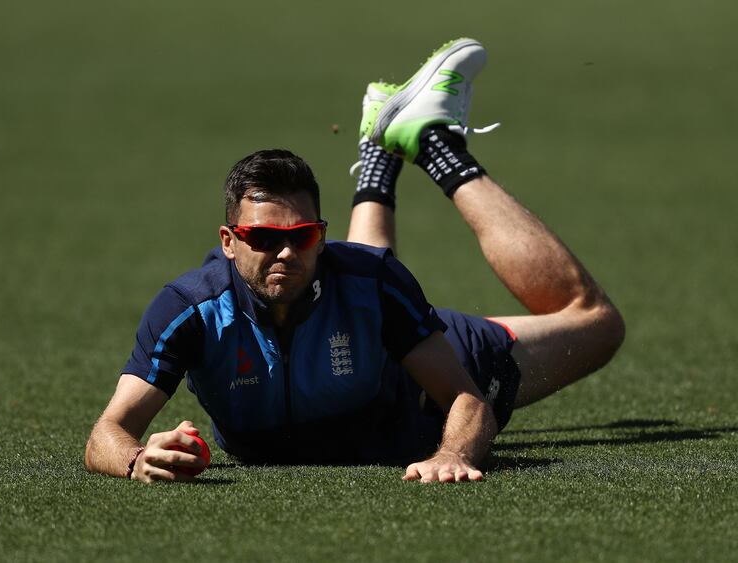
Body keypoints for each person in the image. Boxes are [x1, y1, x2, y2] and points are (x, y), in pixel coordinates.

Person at [84, 38, 625, 484]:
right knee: (361, 276)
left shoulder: (372, 282)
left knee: (596, 323)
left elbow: (464, 397)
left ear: (322, 235)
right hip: (368, 316)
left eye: (305, 235)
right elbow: (105, 433)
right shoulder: (189, 310)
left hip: (417, 392)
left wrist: (453, 454)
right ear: (228, 240)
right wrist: (136, 459)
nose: (287, 251)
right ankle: (381, 146)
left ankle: (435, 145)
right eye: (263, 238)